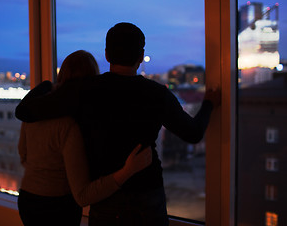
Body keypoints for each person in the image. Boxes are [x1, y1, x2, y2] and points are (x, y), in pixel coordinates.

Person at [16, 23, 221, 226]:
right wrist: (209, 103)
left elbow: (24, 111)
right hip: (147, 192)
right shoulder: (157, 94)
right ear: (141, 57)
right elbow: (193, 133)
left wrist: (45, 85)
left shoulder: (84, 90)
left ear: (106, 55)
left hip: (106, 197)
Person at [17, 50, 152, 226]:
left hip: (27, 199)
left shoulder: (33, 112)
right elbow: (82, 196)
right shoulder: (69, 125)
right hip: (57, 207)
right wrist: (127, 171)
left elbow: (23, 154)